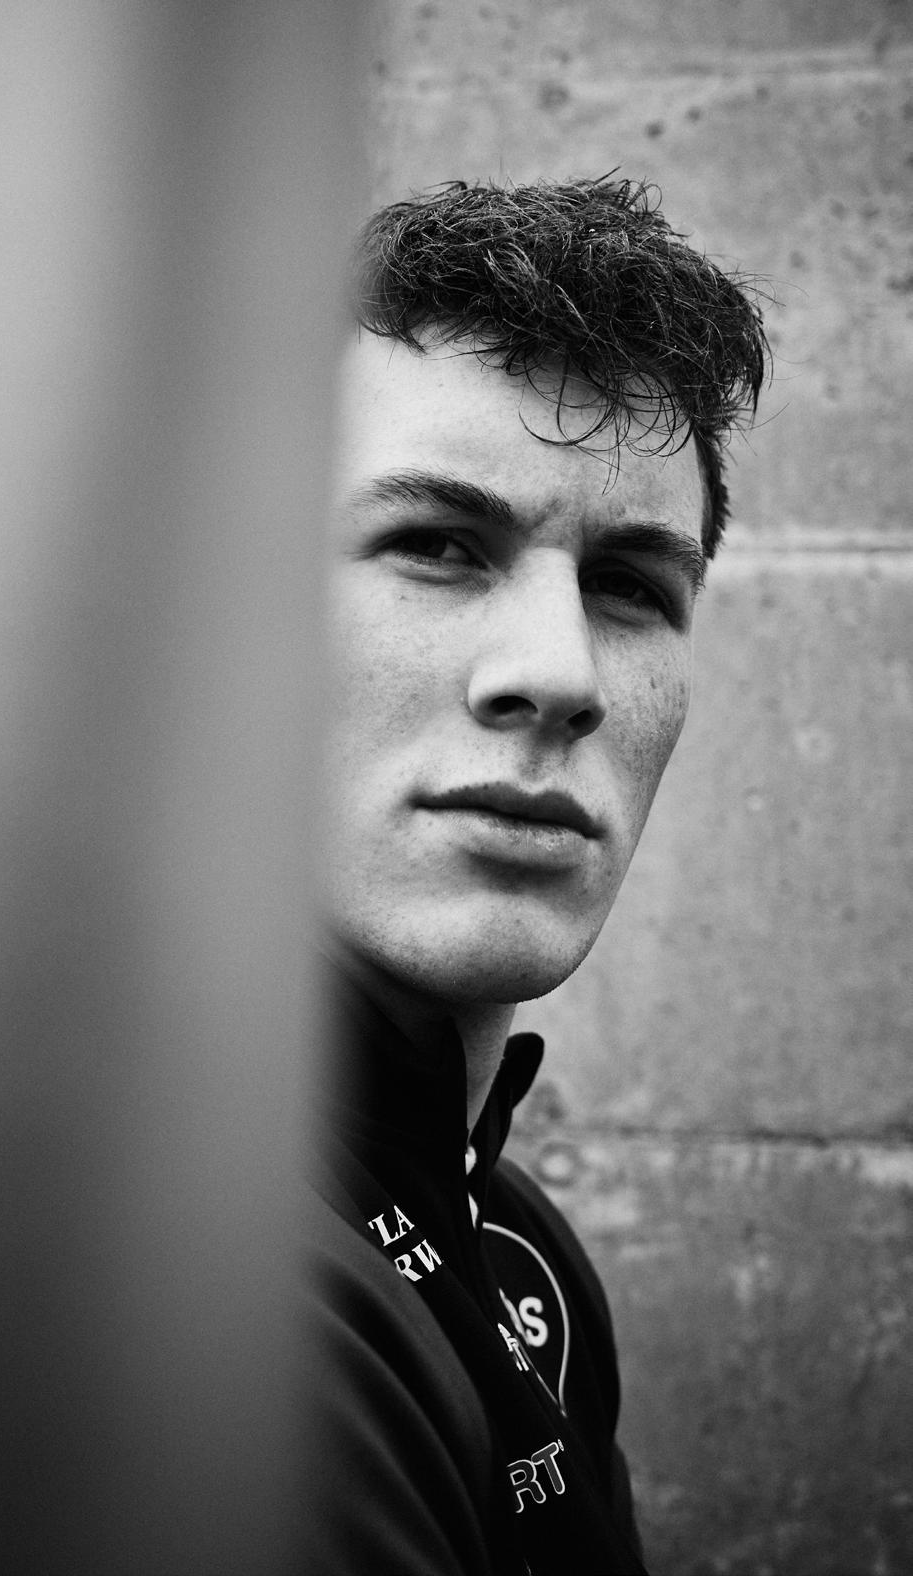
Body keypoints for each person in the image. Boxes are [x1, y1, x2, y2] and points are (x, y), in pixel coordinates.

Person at [307, 178, 769, 1575]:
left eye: (630, 584)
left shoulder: (524, 1256)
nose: (560, 673)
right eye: (435, 545)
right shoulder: (149, 1303)